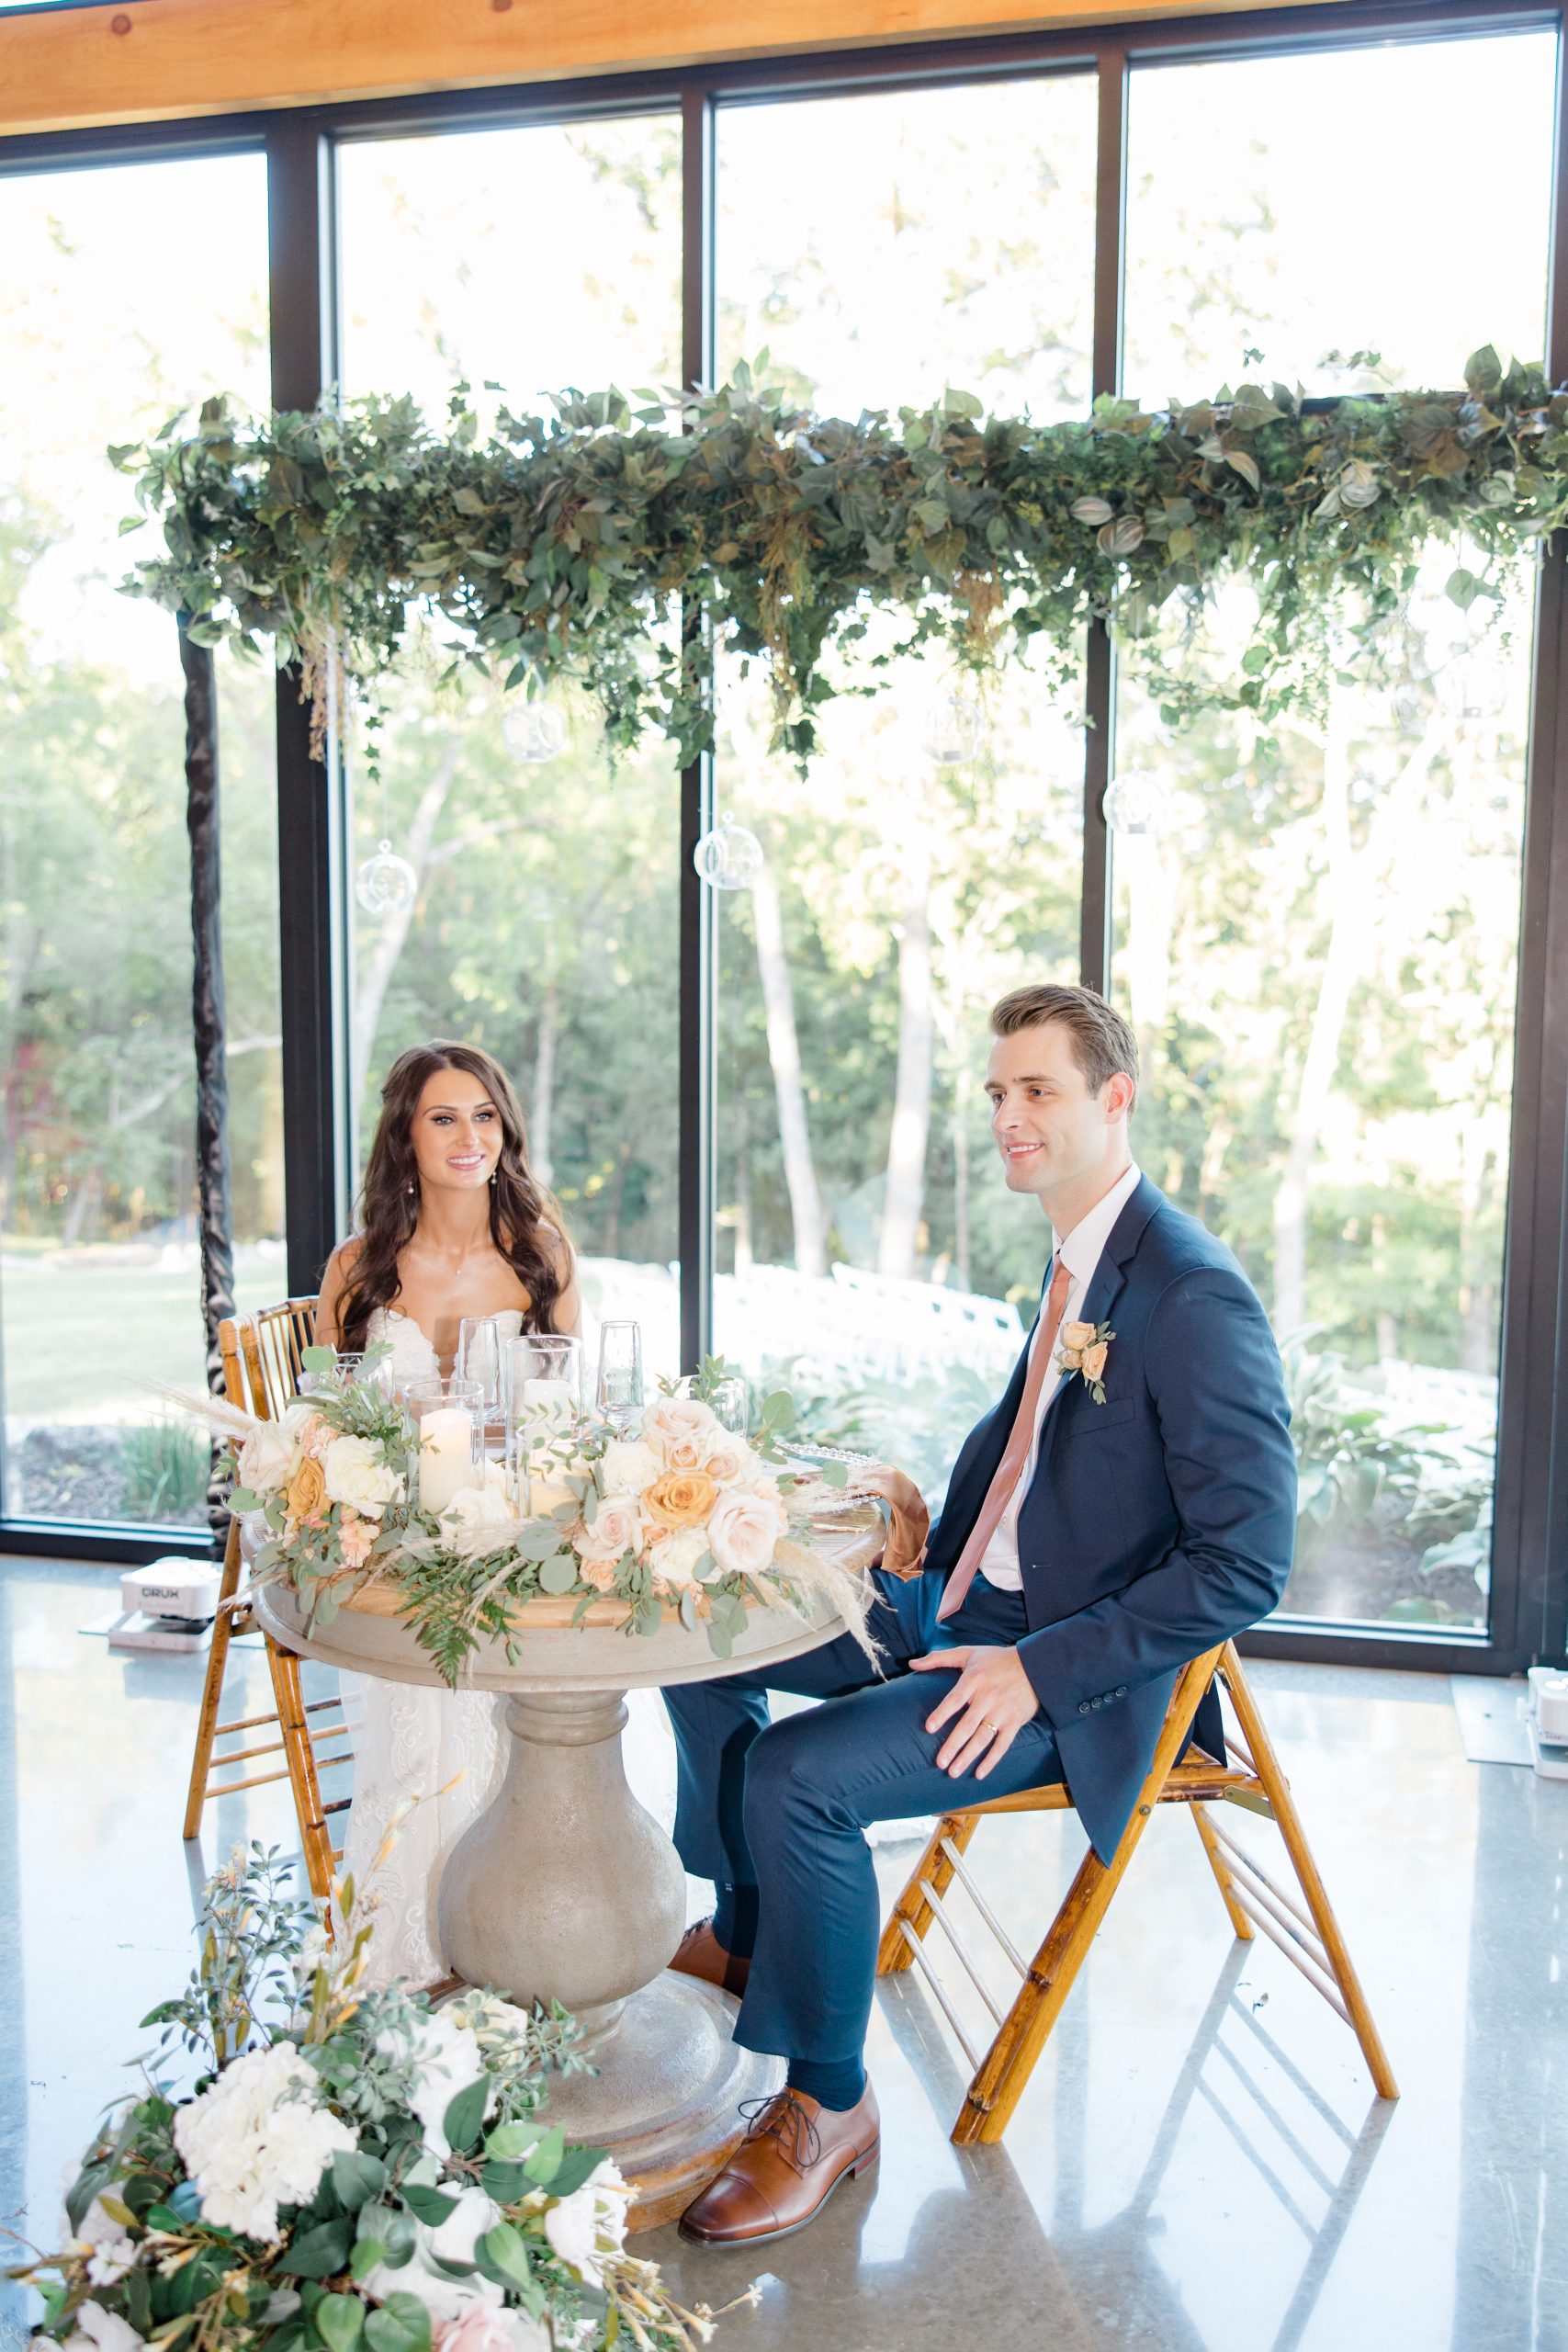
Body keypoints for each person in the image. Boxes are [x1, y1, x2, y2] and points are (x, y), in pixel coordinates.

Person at [662, 981, 1297, 2245]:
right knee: (701, 1632)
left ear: (1112, 1101)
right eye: (997, 1093)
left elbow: (1244, 1562)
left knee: (796, 1774)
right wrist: (927, 1526)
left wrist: (1039, 1671)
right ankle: (748, 1927)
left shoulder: (1186, 1294)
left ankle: (827, 2107)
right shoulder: (1075, 1257)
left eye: (1038, 1091)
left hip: (1075, 1683)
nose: (1008, 1116)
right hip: (961, 1606)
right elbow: (1046, 1466)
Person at [315, 1039, 580, 1988]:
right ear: (406, 1136)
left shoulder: (540, 1260)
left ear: (505, 1130)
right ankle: (398, 1963)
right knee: (412, 1722)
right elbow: (327, 1426)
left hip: (507, 1554)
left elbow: (568, 1424)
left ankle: (505, 1951)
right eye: (442, 1117)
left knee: (496, 1738)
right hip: (387, 1561)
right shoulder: (356, 1269)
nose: (469, 1136)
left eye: (483, 1115)